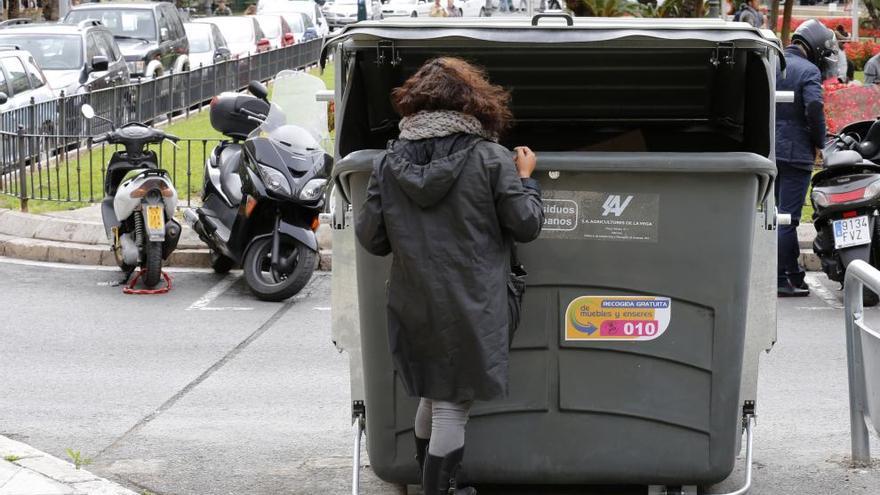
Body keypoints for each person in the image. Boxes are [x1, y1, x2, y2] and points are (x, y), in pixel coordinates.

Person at [355, 57, 544, 495]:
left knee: (432, 398)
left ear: (414, 106)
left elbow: (372, 238)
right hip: (470, 303)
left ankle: (439, 483)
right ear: (471, 102)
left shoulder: (389, 162)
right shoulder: (492, 159)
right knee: (451, 409)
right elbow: (526, 225)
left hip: (413, 301)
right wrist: (527, 180)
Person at [776, 19, 837, 297]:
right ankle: (787, 278)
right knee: (788, 219)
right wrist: (819, 142)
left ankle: (783, 275)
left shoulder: (771, 63)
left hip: (767, 153)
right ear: (813, 46)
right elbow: (814, 106)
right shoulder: (809, 70)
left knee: (771, 218)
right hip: (796, 153)